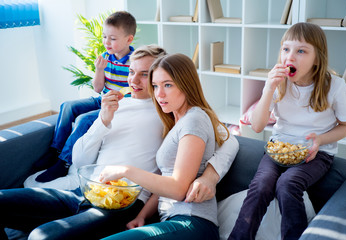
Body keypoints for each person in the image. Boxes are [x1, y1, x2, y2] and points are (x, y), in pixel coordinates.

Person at [0, 45, 238, 240]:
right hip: (86, 191)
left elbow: (228, 140)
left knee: (43, 237)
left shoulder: (175, 114)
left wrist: (210, 176)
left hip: (123, 203)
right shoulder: (123, 106)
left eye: (145, 75)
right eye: (132, 72)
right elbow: (80, 159)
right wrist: (103, 121)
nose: (135, 80)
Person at [228, 22, 346, 240]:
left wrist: (320, 139)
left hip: (316, 152)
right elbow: (257, 126)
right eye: (286, 49)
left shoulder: (335, 85)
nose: (290, 57)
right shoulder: (278, 83)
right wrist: (268, 89)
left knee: (287, 185)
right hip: (278, 148)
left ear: (317, 57)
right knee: (260, 186)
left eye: (301, 51)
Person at [96, 53, 230, 240]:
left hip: (192, 222)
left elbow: (177, 189)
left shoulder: (195, 119)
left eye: (168, 85)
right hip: (171, 220)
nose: (159, 94)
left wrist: (125, 170)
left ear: (186, 84)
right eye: (155, 86)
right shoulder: (177, 121)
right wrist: (142, 216)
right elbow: (166, 179)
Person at [33, 11, 137, 183]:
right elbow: (97, 88)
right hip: (101, 99)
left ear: (129, 39)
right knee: (68, 106)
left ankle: (63, 162)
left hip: (116, 106)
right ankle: (55, 151)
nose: (106, 42)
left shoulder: (134, 62)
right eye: (105, 37)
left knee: (83, 120)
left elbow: (136, 90)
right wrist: (99, 69)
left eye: (112, 38)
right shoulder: (105, 58)